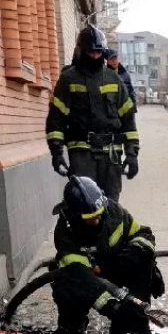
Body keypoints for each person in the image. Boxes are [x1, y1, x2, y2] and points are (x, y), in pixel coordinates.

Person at [51, 176, 164, 334]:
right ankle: (72, 331)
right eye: (89, 219)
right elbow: (81, 277)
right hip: (84, 278)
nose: (96, 222)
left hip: (116, 266)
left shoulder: (113, 211)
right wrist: (112, 307)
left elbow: (142, 233)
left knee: (144, 261)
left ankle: (127, 332)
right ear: (75, 217)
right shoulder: (65, 233)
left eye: (98, 216)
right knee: (65, 287)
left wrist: (135, 251)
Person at [46, 24, 140, 201]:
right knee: (85, 202)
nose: (95, 56)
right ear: (81, 51)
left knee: (112, 205)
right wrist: (56, 152)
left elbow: (128, 120)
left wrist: (132, 153)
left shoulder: (114, 79)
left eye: (98, 52)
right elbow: (55, 119)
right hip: (82, 154)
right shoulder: (68, 78)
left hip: (111, 157)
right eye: (91, 52)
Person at [106, 48, 136, 112]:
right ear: (107, 61)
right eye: (111, 59)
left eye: (115, 58)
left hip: (126, 110)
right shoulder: (105, 75)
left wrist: (133, 107)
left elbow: (131, 91)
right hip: (112, 110)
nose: (114, 61)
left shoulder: (125, 75)